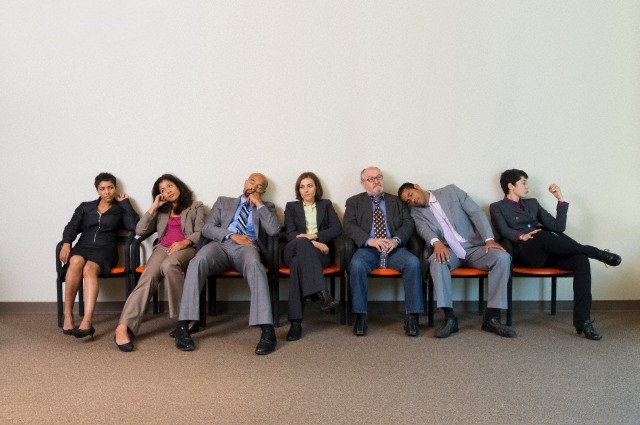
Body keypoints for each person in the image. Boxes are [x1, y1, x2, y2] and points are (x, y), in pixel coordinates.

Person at [490, 169, 622, 341]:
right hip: (525, 254)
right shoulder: (497, 207)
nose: (527, 186)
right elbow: (503, 229)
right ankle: (594, 251)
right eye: (523, 182)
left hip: (547, 251)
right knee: (542, 234)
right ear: (510, 185)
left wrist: (560, 199)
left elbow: (558, 227)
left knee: (580, 260)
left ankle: (583, 321)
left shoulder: (533, 204)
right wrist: (522, 236)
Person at [172, 173, 281, 355]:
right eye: (252, 181)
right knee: (197, 261)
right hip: (220, 245)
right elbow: (207, 228)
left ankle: (268, 331)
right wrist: (232, 235)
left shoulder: (266, 207)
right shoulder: (224, 202)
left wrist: (259, 204)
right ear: (245, 181)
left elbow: (274, 230)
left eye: (260, 186)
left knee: (255, 265)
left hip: (247, 248)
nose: (254, 186)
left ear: (263, 192)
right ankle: (183, 326)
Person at [398, 182, 516, 339]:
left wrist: (489, 239)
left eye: (410, 195)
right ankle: (450, 318)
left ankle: (492, 318)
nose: (412, 201)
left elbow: (476, 213)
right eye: (408, 201)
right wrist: (436, 242)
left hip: (474, 247)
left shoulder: (451, 191)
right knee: (436, 261)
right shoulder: (416, 213)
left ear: (416, 187)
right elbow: (423, 229)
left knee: (502, 257)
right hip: (448, 250)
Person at [114, 174, 205, 352]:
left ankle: (183, 321)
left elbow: (201, 232)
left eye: (170, 186)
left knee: (169, 265)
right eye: (162, 190)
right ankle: (123, 327)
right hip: (162, 248)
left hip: (186, 248)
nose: (167, 191)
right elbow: (140, 230)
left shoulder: (196, 207)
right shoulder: (162, 210)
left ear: (179, 186)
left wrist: (184, 242)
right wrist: (154, 206)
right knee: (147, 277)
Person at [343, 167, 424, 337]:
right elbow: (349, 225)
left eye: (378, 177)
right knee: (356, 264)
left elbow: (408, 223)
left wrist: (395, 240)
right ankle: (361, 315)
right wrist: (370, 240)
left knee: (413, 263)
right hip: (369, 249)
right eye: (371, 179)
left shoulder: (397, 201)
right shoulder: (354, 202)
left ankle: (412, 317)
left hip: (395, 248)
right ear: (363, 183)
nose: (376, 181)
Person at [59, 172, 139, 339]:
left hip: (106, 250)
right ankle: (68, 315)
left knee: (89, 269)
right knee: (74, 261)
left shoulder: (119, 209)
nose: (107, 192)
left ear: (115, 188)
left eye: (110, 187)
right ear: (97, 191)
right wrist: (67, 242)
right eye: (102, 189)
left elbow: (134, 226)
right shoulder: (85, 207)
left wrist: (126, 204)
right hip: (83, 246)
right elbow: (72, 226)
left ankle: (87, 322)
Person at [283, 172, 342, 341]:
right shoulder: (291, 207)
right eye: (302, 187)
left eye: (309, 186)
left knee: (297, 265)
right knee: (300, 243)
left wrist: (313, 237)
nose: (306, 190)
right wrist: (315, 243)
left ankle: (295, 323)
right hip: (294, 249)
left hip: (318, 257)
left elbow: (336, 228)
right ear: (298, 190)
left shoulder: (326, 205)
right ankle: (321, 291)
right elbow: (290, 234)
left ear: (316, 187)